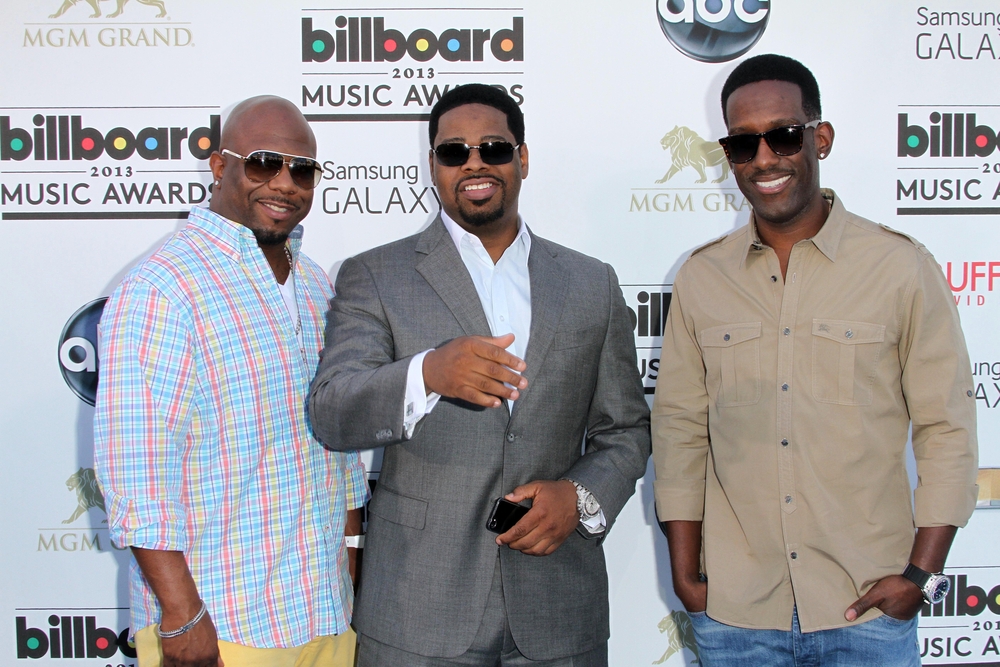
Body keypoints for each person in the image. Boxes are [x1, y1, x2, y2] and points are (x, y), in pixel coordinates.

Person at [651, 53, 979, 666]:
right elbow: (678, 432)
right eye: (743, 144)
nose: (764, 159)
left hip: (868, 608)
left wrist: (922, 577)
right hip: (735, 613)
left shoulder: (900, 266)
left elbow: (946, 427)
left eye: (783, 136)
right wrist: (685, 574)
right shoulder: (701, 279)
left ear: (819, 138)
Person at [308, 83, 650, 667]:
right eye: (452, 151)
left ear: (522, 158)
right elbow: (334, 412)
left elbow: (627, 429)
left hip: (559, 604)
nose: (473, 163)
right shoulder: (375, 275)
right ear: (434, 166)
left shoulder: (591, 282)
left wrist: (580, 496)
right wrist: (428, 374)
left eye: (492, 148)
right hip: (418, 606)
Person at [93, 95, 368, 667]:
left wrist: (351, 565)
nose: (285, 183)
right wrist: (182, 617)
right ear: (221, 167)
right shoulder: (162, 288)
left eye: (302, 169)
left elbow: (339, 454)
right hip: (221, 628)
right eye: (265, 162)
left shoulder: (317, 285)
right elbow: (138, 472)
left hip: (323, 614)